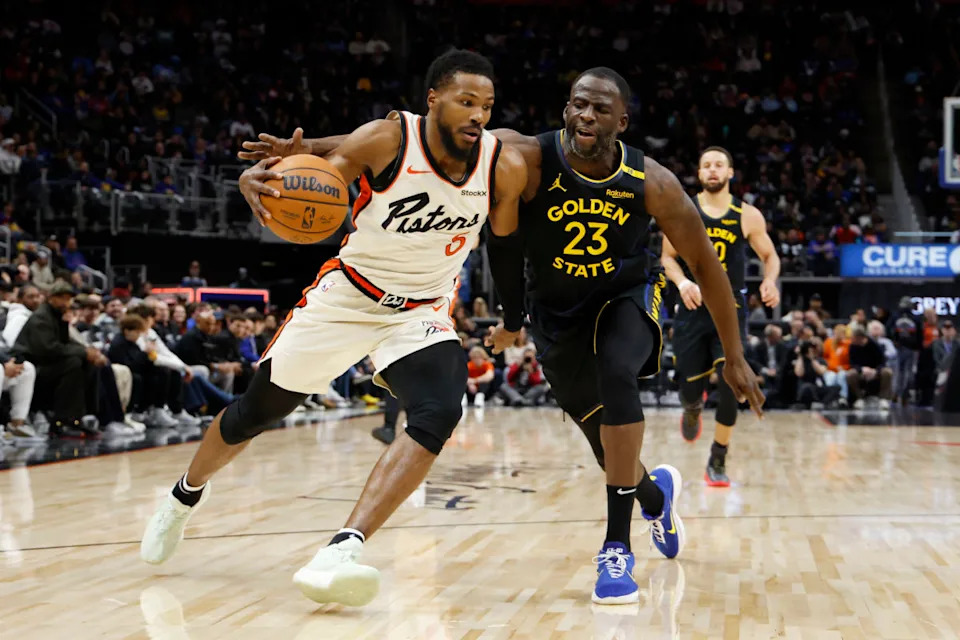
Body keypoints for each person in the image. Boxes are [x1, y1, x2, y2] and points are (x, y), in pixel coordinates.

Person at [140, 50, 527, 608]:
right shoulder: (388, 139)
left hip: (420, 311)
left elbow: (507, 249)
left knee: (440, 410)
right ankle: (182, 496)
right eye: (467, 101)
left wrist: (512, 321)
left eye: (487, 106)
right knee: (255, 414)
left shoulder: (500, 164)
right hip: (347, 298)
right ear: (433, 99)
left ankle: (342, 548)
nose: (478, 115)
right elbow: (321, 178)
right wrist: (266, 181)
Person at [479, 70, 763, 604]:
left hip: (626, 296)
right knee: (602, 442)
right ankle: (655, 496)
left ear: (622, 121)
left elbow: (705, 263)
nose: (587, 115)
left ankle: (617, 549)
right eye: (579, 105)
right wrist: (326, 151)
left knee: (616, 375)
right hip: (555, 313)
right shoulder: (527, 158)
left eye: (600, 109)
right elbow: (424, 136)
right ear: (566, 109)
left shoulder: (651, 180)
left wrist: (735, 356)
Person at [660, 146, 780, 486]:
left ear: (730, 173)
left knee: (734, 384)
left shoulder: (747, 215)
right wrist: (682, 282)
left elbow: (770, 256)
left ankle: (718, 458)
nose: (713, 170)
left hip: (731, 312)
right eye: (706, 165)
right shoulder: (684, 211)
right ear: (699, 174)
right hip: (693, 310)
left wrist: (769, 281)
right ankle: (691, 407)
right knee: (688, 387)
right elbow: (667, 257)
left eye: (719, 165)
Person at [846, 327, 893, 409]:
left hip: (875, 371)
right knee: (850, 374)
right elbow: (852, 363)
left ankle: (883, 399)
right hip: (861, 371)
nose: (851, 340)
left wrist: (875, 371)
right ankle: (859, 398)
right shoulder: (852, 346)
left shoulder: (874, 344)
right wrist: (862, 369)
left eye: (853, 338)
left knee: (887, 372)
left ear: (859, 337)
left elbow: (882, 362)